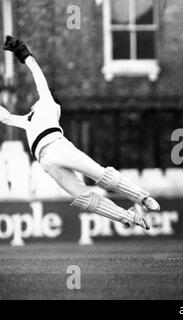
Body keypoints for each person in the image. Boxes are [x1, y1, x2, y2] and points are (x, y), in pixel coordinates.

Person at [0, 35, 160, 230]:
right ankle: (129, 218)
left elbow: (38, 77)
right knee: (83, 198)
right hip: (46, 163)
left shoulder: (48, 104)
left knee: (101, 175)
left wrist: (24, 54)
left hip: (58, 146)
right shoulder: (27, 120)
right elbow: (5, 117)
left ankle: (143, 197)